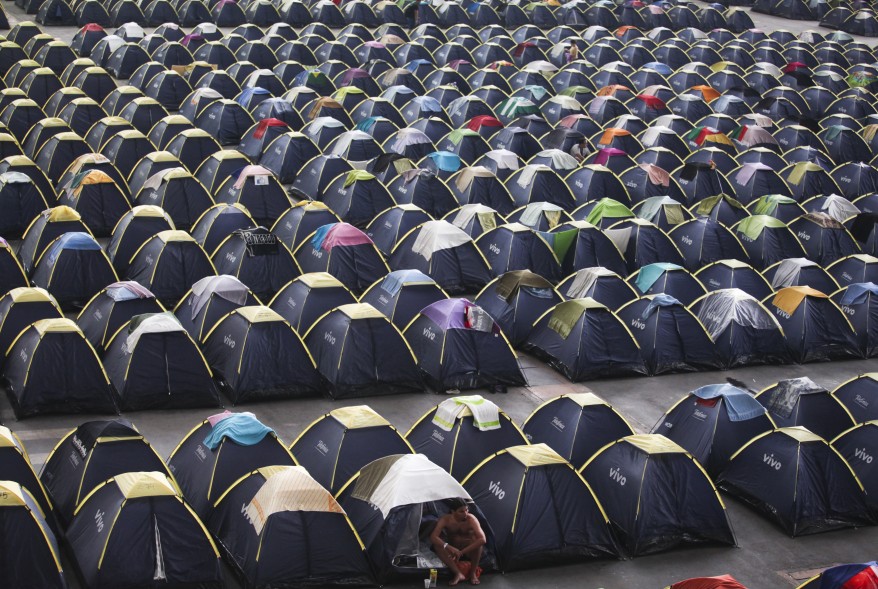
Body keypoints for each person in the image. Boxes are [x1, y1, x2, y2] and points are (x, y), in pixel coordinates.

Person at [430, 498, 486, 586]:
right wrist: (448, 547)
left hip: (467, 551)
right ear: (453, 511)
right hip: (453, 549)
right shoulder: (446, 519)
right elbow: (433, 537)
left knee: (478, 544)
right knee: (437, 545)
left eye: (467, 510)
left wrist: (461, 552)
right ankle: (458, 573)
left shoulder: (471, 519)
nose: (465, 514)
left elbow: (483, 539)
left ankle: (472, 573)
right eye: (461, 511)